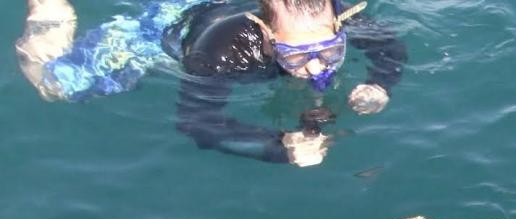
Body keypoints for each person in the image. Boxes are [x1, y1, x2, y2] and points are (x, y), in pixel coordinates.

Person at [15, 0, 408, 166]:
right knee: (54, 85)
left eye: (329, 50)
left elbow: (391, 48)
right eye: (296, 55)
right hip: (173, 21)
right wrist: (278, 147)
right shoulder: (221, 54)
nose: (315, 66)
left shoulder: (339, 21)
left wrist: (380, 84)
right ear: (266, 32)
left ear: (339, 26)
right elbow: (198, 124)